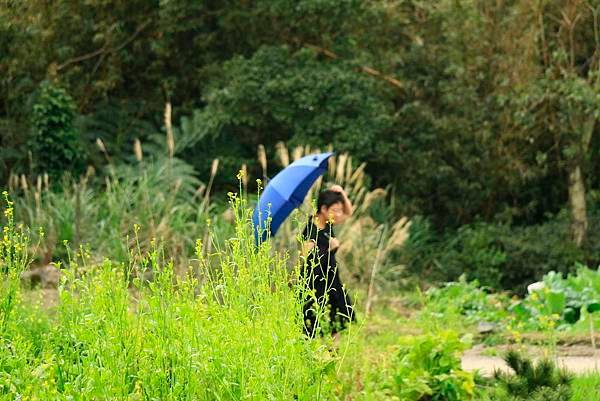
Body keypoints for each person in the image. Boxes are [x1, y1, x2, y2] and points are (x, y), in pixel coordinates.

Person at [300, 185, 355, 338]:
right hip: (316, 283)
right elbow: (305, 259)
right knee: (312, 323)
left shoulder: (328, 223)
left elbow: (348, 212)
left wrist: (342, 193)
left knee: (337, 318)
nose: (338, 214)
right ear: (324, 209)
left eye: (339, 210)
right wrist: (329, 249)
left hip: (331, 279)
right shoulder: (310, 230)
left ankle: (333, 356)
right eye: (335, 210)